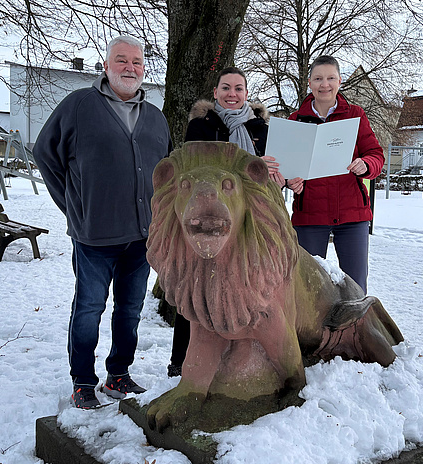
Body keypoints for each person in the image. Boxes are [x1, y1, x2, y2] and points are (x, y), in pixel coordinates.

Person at [33, 35, 171, 409]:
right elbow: (45, 153)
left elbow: (167, 174)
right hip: (94, 237)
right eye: (121, 61)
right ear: (106, 66)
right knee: (89, 309)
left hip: (141, 237)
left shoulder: (156, 118)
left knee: (130, 310)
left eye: (137, 62)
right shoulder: (79, 105)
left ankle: (119, 374)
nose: (130, 68)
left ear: (144, 69)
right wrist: (73, 205)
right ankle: (82, 381)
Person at [167, 66, 274, 377]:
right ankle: (182, 360)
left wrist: (268, 168)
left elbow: (271, 178)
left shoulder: (261, 129)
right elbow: (194, 169)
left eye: (238, 88)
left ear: (246, 93)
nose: (232, 94)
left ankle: (242, 355)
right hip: (209, 218)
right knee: (197, 285)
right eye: (226, 88)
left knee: (248, 283)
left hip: (249, 219)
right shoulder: (200, 126)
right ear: (215, 93)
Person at [276, 55, 384, 294]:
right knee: (308, 287)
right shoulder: (295, 120)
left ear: (340, 81)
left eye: (331, 78)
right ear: (310, 83)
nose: (325, 84)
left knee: (356, 287)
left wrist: (365, 164)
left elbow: (376, 154)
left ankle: (355, 330)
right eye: (318, 78)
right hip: (310, 215)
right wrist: (289, 180)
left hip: (352, 214)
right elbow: (283, 168)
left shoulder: (355, 115)